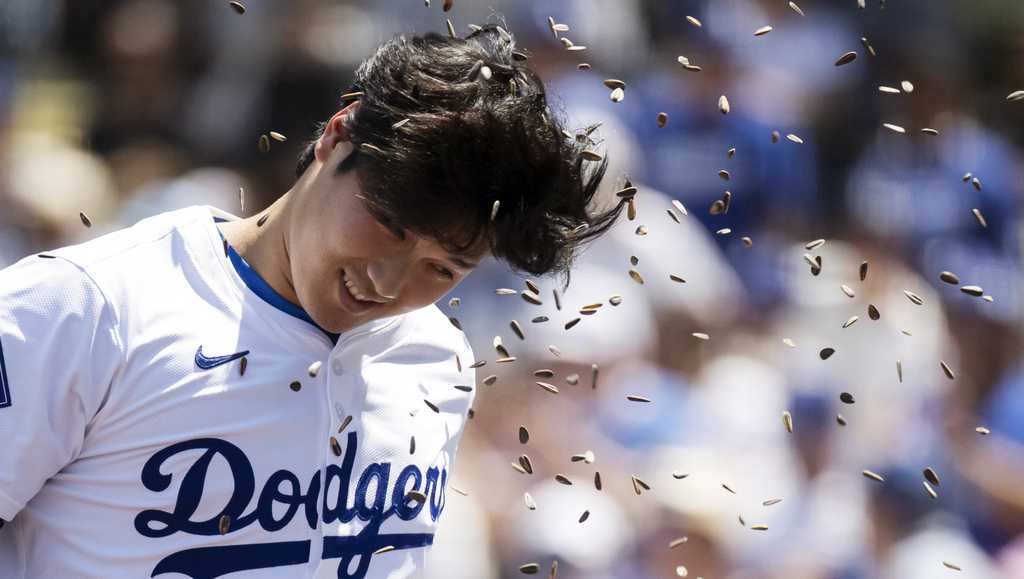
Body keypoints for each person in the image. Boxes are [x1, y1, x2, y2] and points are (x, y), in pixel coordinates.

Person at [0, 24, 622, 578]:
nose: (387, 282)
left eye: (440, 267)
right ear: (337, 135)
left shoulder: (438, 359)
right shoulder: (87, 307)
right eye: (388, 224)